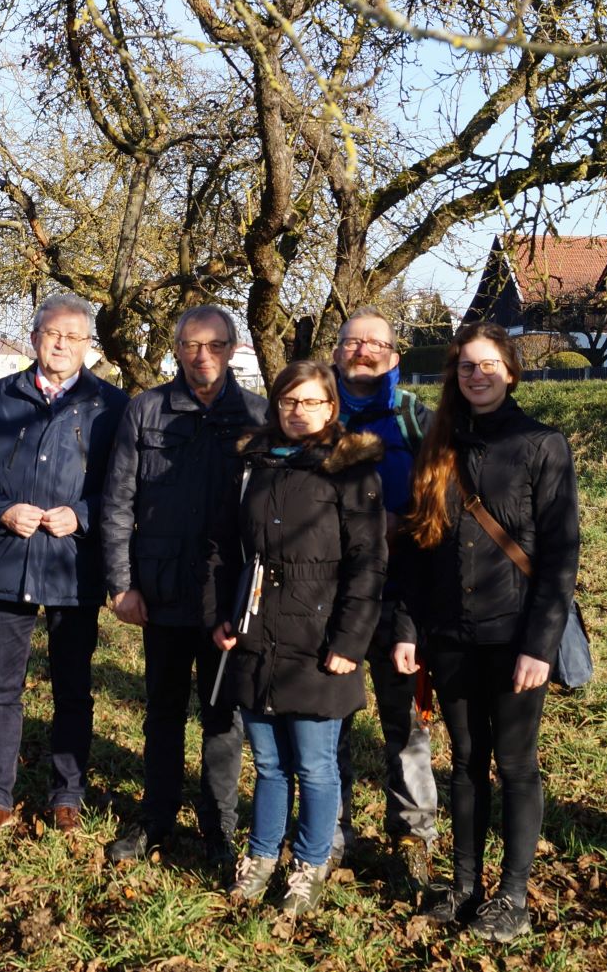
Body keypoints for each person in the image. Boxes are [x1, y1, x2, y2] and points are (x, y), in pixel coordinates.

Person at [392, 323, 580, 942]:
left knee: (516, 765)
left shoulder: (540, 443)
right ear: (455, 375)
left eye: (490, 365)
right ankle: (466, 884)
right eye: (467, 366)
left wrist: (540, 645)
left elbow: (559, 556)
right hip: (450, 633)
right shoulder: (437, 445)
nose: (478, 375)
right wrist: (410, 628)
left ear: (511, 371)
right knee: (467, 761)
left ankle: (514, 896)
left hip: (515, 634)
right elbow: (418, 550)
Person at [208, 359, 384, 917]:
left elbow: (368, 563)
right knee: (268, 763)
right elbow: (223, 547)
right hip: (257, 635)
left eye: (311, 402)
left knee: (314, 764)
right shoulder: (252, 464)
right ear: (275, 405)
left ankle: (308, 864)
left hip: (319, 639)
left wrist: (349, 643)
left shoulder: (352, 471)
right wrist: (223, 614)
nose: (299, 412)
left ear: (332, 408)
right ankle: (261, 857)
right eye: (289, 402)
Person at [0, 295, 128, 835]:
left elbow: (126, 487)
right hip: (8, 562)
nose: (62, 344)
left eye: (75, 337)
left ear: (89, 345)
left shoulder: (111, 406)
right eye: (53, 334)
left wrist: (83, 514)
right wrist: (1, 510)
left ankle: (66, 796)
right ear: (34, 338)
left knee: (72, 687)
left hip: (74, 566)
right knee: (3, 685)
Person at [101, 305, 266, 869]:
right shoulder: (145, 411)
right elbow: (118, 502)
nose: (203, 356)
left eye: (215, 345)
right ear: (176, 348)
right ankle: (156, 817)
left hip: (227, 595)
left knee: (223, 716)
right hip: (163, 586)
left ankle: (219, 825)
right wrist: (121, 585)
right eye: (192, 345)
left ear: (232, 347)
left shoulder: (257, 417)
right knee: (163, 710)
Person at [329, 306, 438, 882]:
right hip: (329, 597)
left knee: (408, 725)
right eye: (352, 342)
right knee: (329, 722)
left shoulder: (416, 418)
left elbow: (444, 501)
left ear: (394, 355)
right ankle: (332, 830)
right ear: (337, 350)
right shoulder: (316, 411)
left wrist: (403, 523)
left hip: (402, 599)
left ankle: (414, 834)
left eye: (375, 342)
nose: (363, 350)